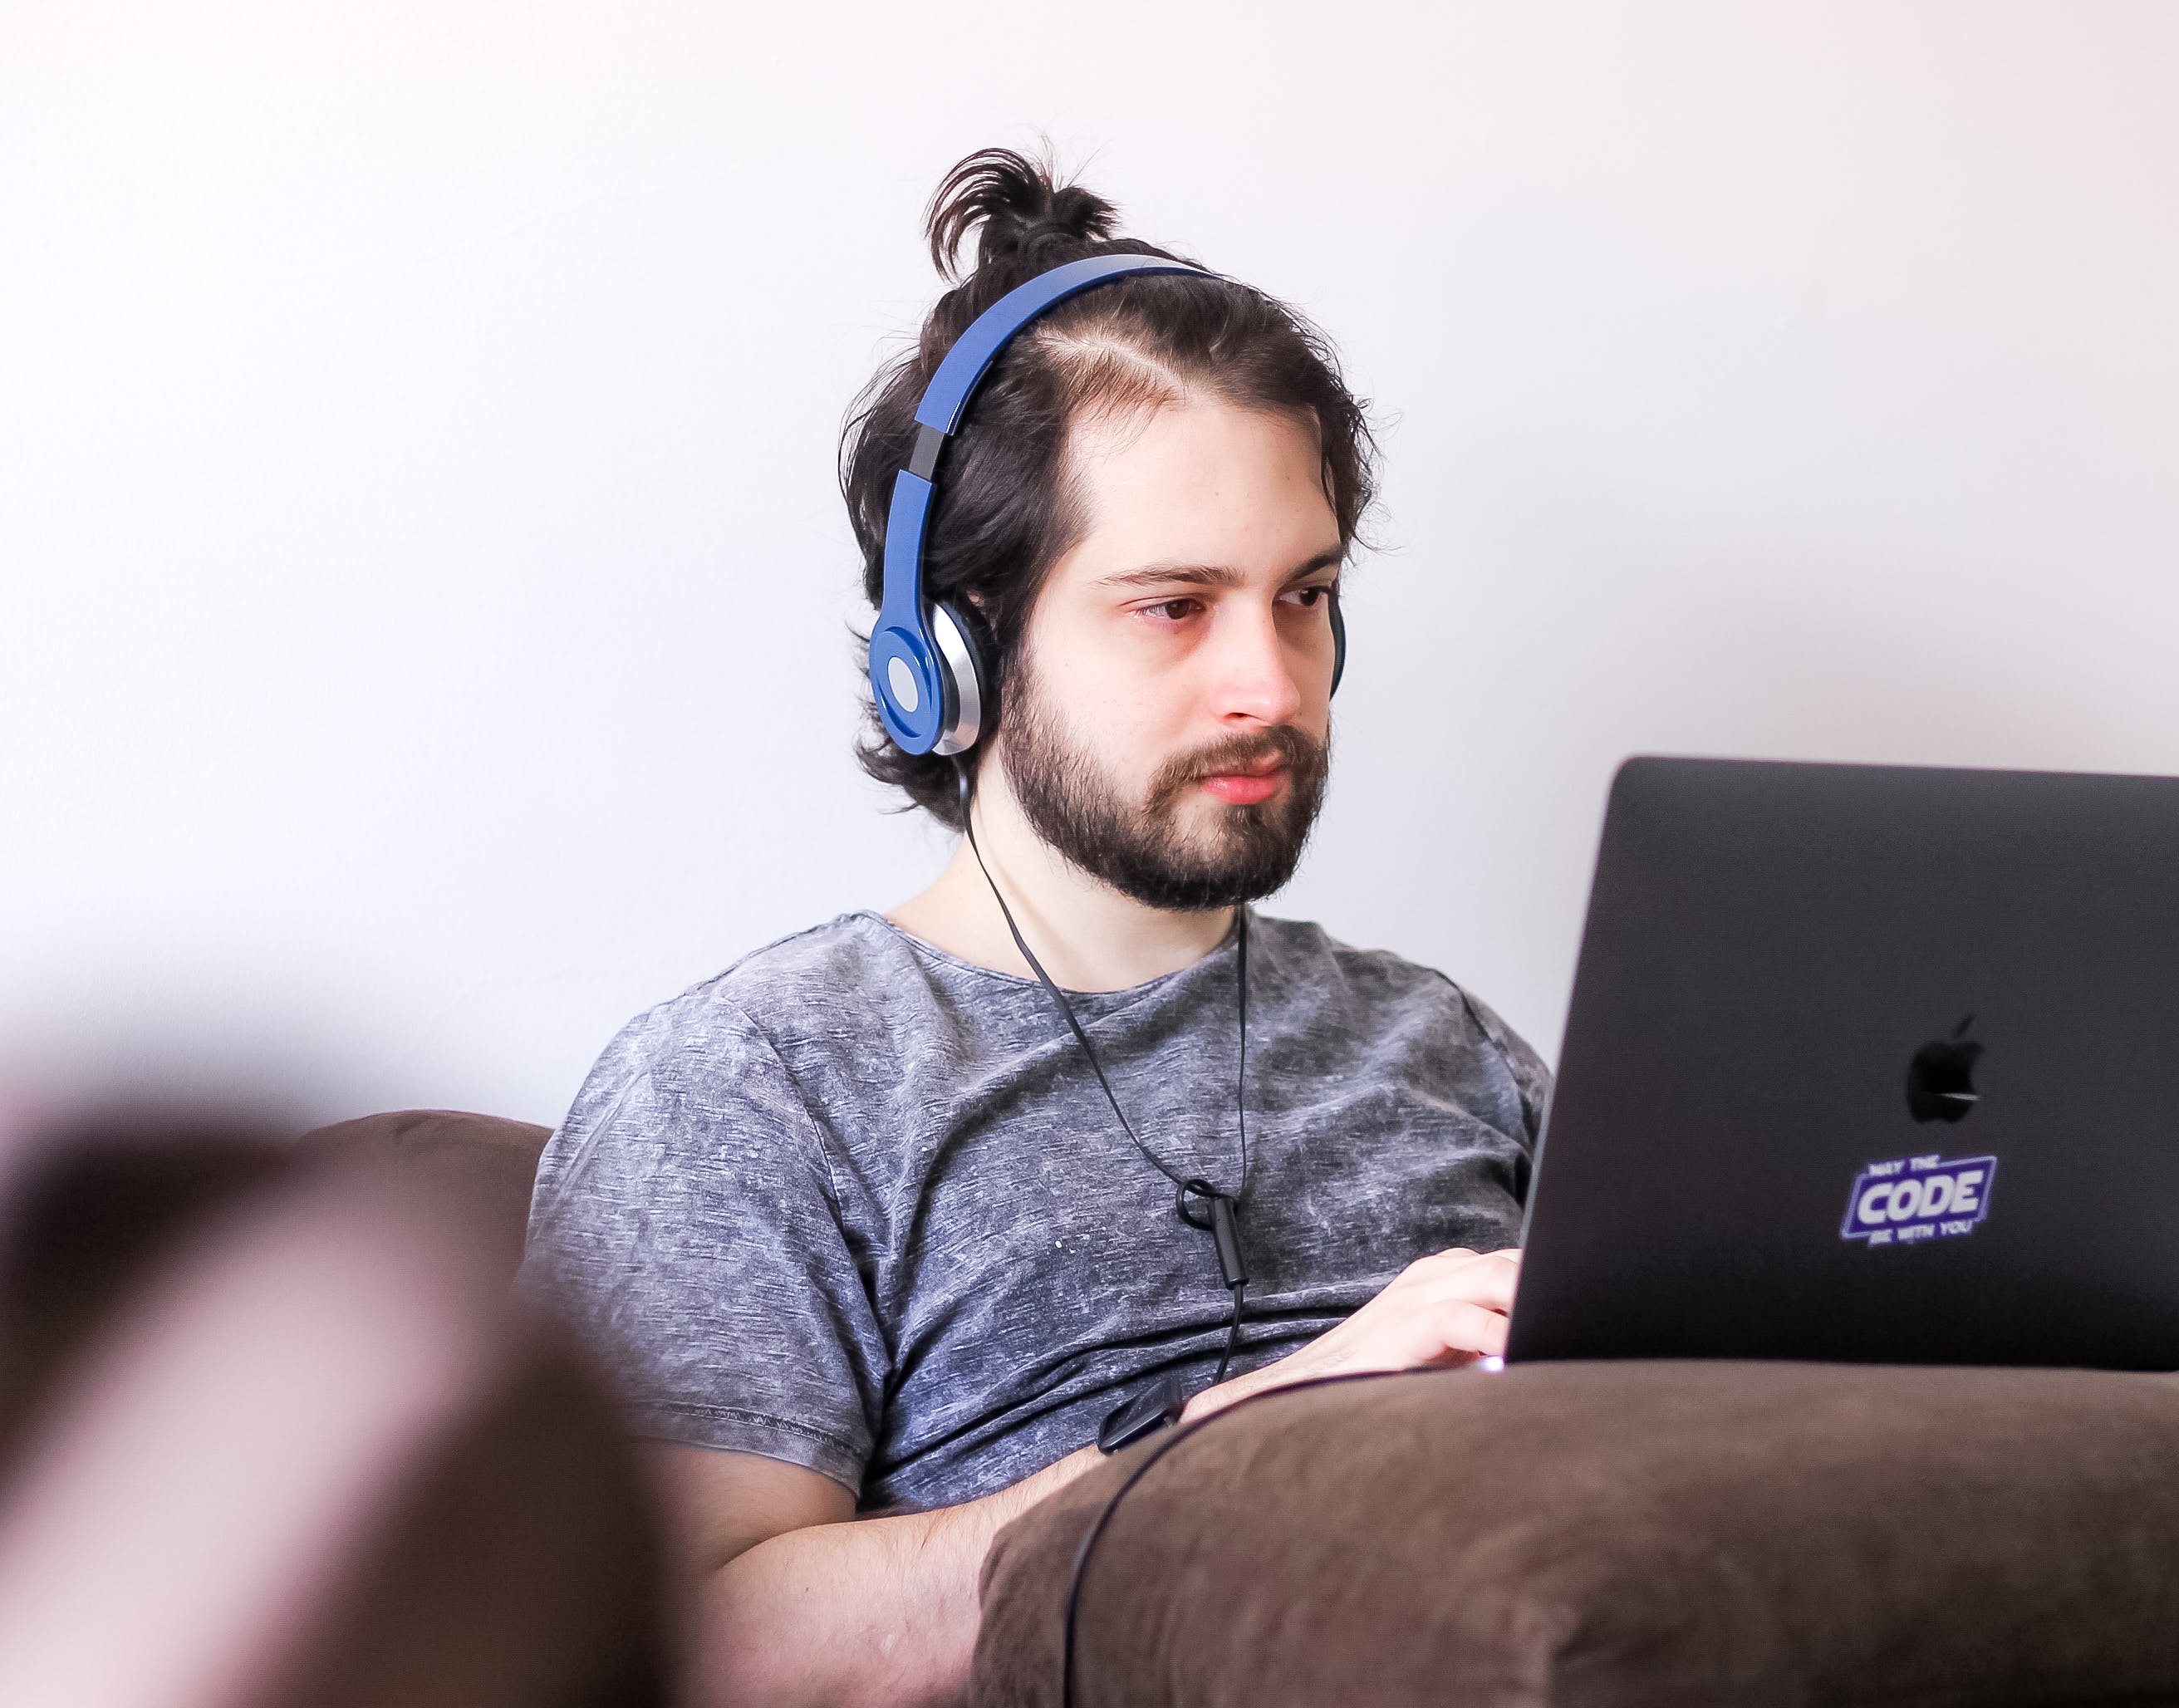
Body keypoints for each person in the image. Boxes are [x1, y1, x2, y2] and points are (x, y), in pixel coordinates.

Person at [520, 147, 1549, 1708]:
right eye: (1171, 605)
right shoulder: (750, 1088)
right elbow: (678, 1649)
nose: (1270, 685)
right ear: (950, 648)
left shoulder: (1447, 1045)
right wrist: (1260, 1438)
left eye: (1304, 594)